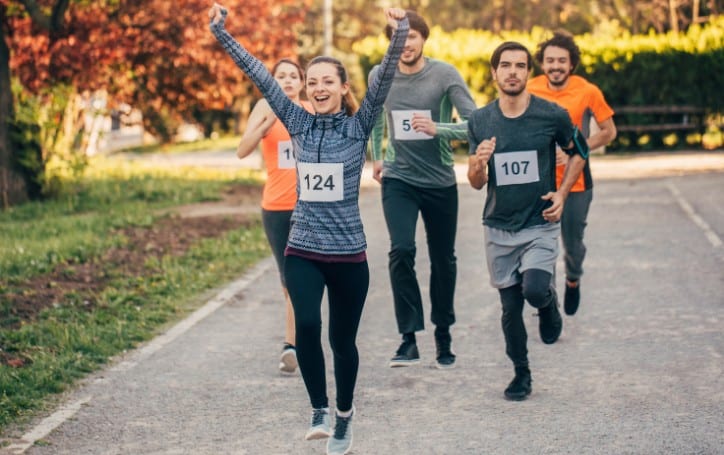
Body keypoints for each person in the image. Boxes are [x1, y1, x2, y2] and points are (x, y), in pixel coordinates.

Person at [210, 4, 409, 454]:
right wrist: (222, 33)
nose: (318, 88)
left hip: (348, 256)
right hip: (303, 247)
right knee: (305, 323)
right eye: (312, 81)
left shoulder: (359, 127)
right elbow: (259, 74)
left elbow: (385, 73)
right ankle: (318, 408)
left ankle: (344, 415)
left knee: (343, 341)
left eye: (327, 81)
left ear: (341, 88)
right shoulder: (296, 120)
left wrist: (399, 31)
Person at [466, 41, 589, 401]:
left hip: (539, 222)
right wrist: (478, 162)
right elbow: (476, 182)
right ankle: (521, 373)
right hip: (498, 226)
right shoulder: (480, 120)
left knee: (535, 289)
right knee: (509, 309)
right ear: (494, 73)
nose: (513, 72)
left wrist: (563, 193)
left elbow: (579, 153)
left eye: (520, 66)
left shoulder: (551, 115)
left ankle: (549, 305)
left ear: (528, 73)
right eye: (505, 66)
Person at [368, 10, 477, 369]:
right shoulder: (380, 75)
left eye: (412, 36)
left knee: (444, 260)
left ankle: (443, 333)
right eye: (399, 37)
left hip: (440, 181)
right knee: (401, 250)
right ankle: (408, 338)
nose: (406, 43)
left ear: (423, 39)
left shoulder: (444, 74)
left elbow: (475, 124)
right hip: (399, 179)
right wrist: (378, 156)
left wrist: (438, 128)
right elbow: (375, 118)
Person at [527, 31, 617, 316]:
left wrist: (575, 148)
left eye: (562, 61)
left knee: (573, 244)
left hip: (576, 182)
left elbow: (609, 132)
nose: (555, 66)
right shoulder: (529, 89)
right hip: (537, 180)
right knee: (539, 244)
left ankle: (573, 278)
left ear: (571, 64)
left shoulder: (587, 91)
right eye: (550, 60)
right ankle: (546, 298)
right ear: (543, 63)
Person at [236, 58, 313, 374]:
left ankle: (292, 344)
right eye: (281, 76)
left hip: (310, 206)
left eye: (293, 76)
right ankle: (297, 342)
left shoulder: (311, 110)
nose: (287, 81)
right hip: (276, 208)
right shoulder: (263, 107)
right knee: (288, 282)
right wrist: (264, 125)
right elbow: (242, 150)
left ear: (302, 82)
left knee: (301, 278)